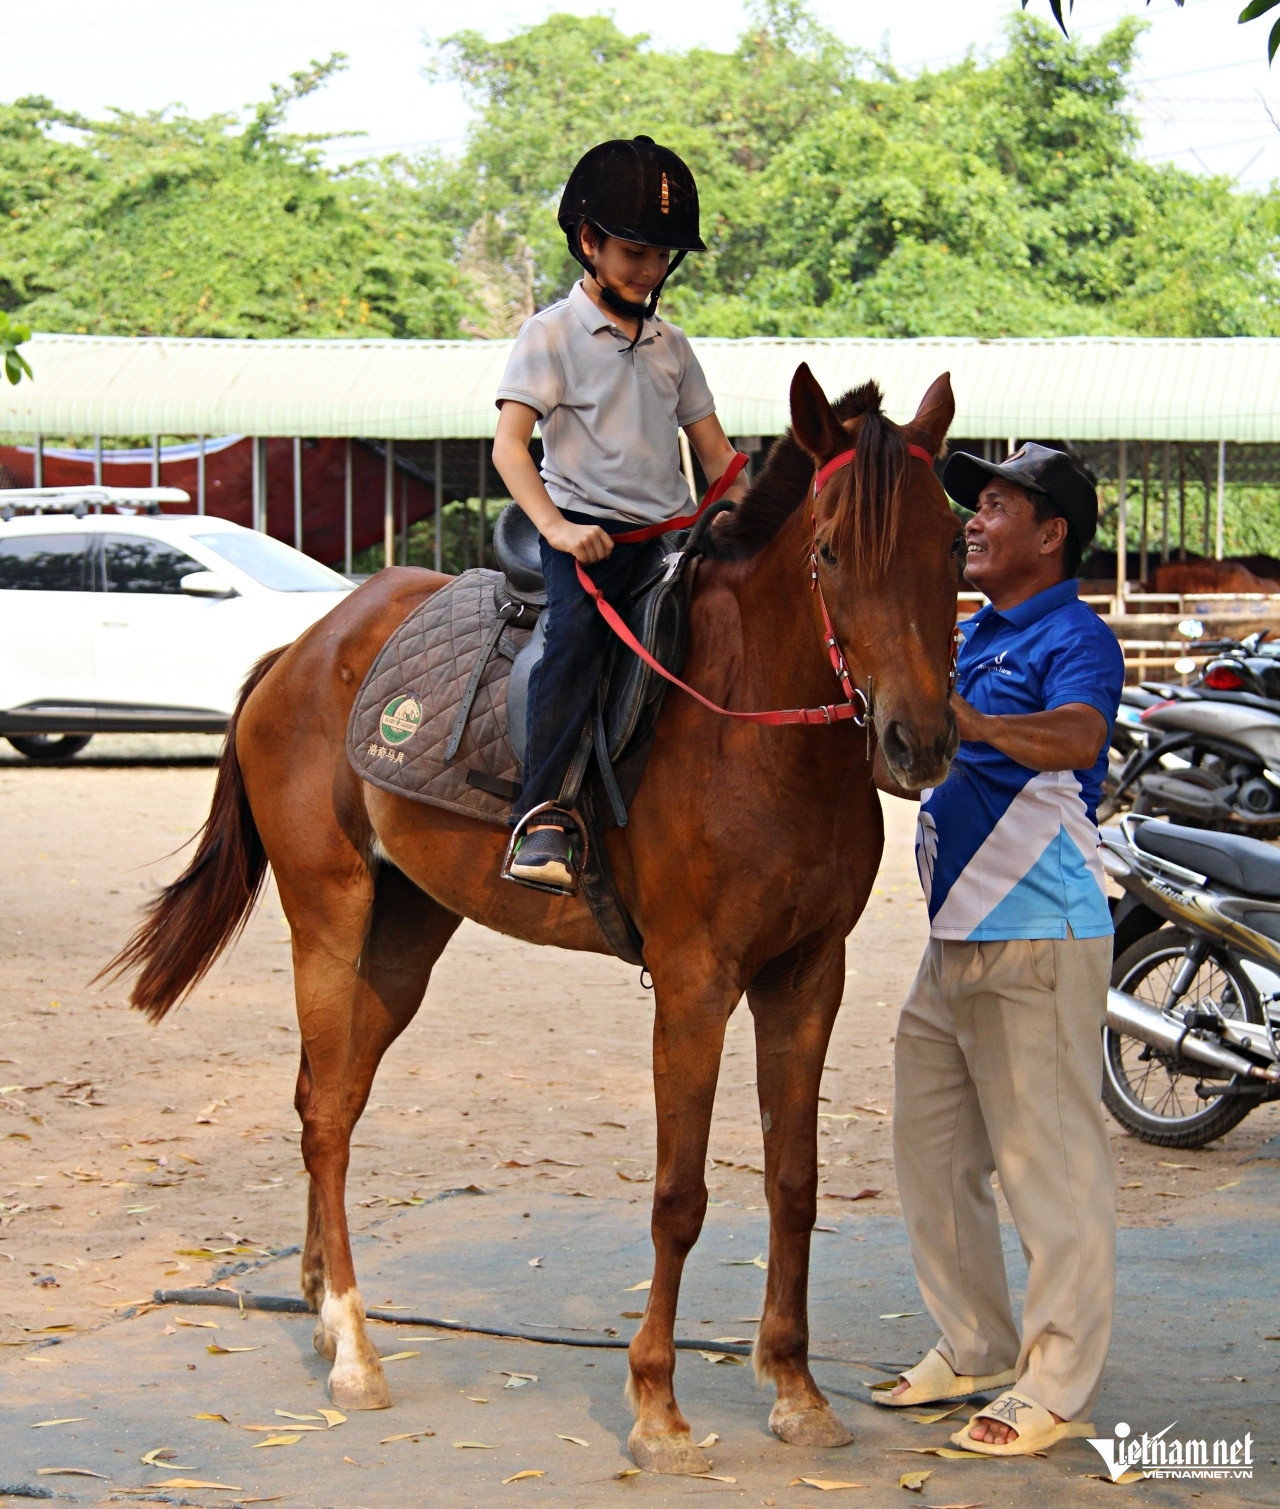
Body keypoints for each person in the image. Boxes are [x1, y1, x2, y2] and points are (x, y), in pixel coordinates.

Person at [875, 443, 1125, 1456]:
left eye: (990, 506)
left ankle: (1055, 1384)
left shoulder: (1075, 636)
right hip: (955, 942)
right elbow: (929, 765)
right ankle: (974, 1343)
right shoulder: (966, 633)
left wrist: (969, 721)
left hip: (1040, 933)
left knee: (1048, 1168)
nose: (971, 522)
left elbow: (1072, 736)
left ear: (1049, 532)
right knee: (929, 1151)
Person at [491, 135, 745, 891]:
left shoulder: (673, 346)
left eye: (663, 255)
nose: (650, 269)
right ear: (588, 242)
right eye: (635, 250)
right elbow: (510, 447)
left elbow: (716, 455)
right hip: (587, 542)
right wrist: (559, 530)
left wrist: (751, 509)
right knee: (572, 648)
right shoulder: (550, 334)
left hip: (671, 540)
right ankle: (543, 815)